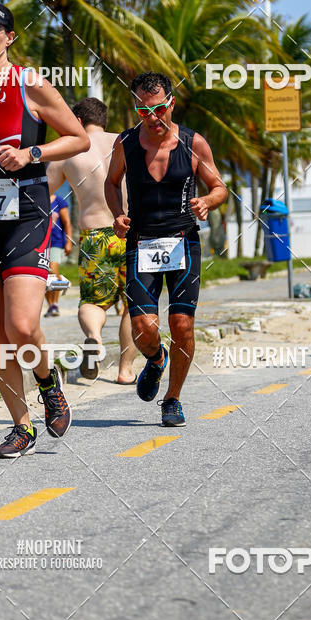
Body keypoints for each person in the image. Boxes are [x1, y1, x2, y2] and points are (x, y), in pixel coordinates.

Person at [0, 1, 90, 457]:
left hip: (26, 209)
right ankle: (21, 426)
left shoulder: (30, 84)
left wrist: (32, 154)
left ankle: (48, 384)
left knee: (22, 325)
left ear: (9, 37)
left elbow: (78, 138)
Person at [105, 71, 227, 426]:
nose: (152, 117)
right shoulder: (126, 143)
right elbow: (111, 183)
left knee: (182, 324)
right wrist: (117, 213)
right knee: (143, 326)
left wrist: (207, 201)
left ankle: (172, 399)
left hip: (183, 241)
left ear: (171, 103)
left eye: (158, 109)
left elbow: (219, 186)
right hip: (140, 241)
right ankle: (157, 359)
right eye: (144, 111)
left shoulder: (193, 143)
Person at [47, 97, 138, 384]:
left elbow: (43, 192)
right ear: (104, 119)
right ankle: (125, 371)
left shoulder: (68, 149)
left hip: (95, 236)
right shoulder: (128, 142)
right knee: (134, 305)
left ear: (77, 120)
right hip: (132, 232)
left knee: (92, 302)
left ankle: (94, 339)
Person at [44, 192, 73, 317]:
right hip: (41, 243)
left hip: (56, 242)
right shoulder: (38, 199)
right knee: (44, 275)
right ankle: (50, 305)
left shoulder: (59, 201)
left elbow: (67, 223)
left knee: (53, 273)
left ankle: (55, 303)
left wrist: (69, 241)